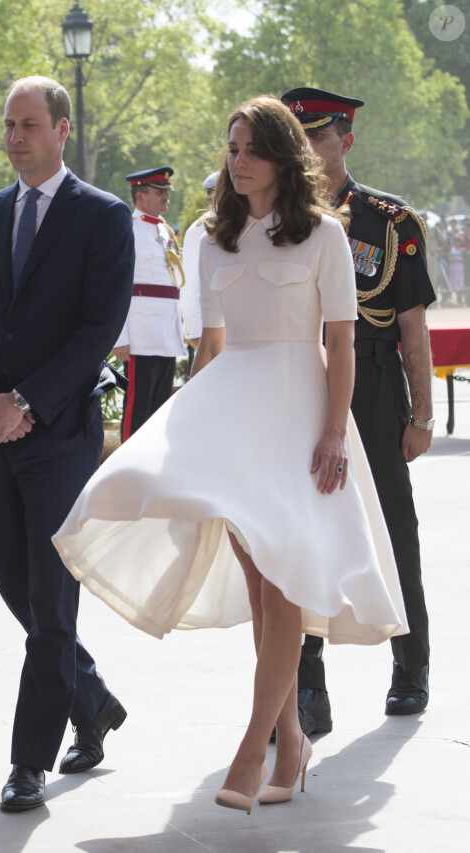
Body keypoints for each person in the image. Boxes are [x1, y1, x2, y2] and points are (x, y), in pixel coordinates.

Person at [54, 95, 407, 813]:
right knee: (257, 582)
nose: (236, 160)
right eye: (231, 147)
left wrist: (335, 430)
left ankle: (254, 751)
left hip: (301, 415)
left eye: (249, 149)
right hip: (230, 410)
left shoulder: (325, 238)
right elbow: (209, 346)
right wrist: (181, 431)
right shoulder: (213, 238)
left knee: (280, 584)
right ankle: (291, 735)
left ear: (281, 157)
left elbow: (339, 343)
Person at [0, 76, 135, 811]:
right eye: (7, 124)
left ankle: (29, 762)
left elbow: (96, 327)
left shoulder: (104, 217)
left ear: (60, 129)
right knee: (14, 584)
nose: (14, 137)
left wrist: (26, 400)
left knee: (52, 604)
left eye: (28, 124)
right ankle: (94, 701)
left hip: (60, 437)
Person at [281, 87, 435, 731]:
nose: (308, 148)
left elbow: (412, 327)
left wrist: (421, 414)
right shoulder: (276, 216)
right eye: (298, 135)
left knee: (392, 528)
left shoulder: (389, 221)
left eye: (318, 136)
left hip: (371, 384)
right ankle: (308, 682)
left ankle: (411, 663)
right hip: (298, 383)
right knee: (299, 535)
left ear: (346, 140)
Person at [112, 167, 185, 441]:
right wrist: (120, 337)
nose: (166, 197)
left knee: (158, 410)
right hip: (141, 334)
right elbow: (116, 284)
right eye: (159, 192)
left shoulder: (164, 230)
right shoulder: (127, 230)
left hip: (165, 333)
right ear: (140, 196)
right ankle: (128, 469)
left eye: (167, 191)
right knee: (137, 408)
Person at [180, 170, 219, 351]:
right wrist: (194, 330)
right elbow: (189, 284)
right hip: (208, 325)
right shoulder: (199, 229)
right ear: (212, 194)